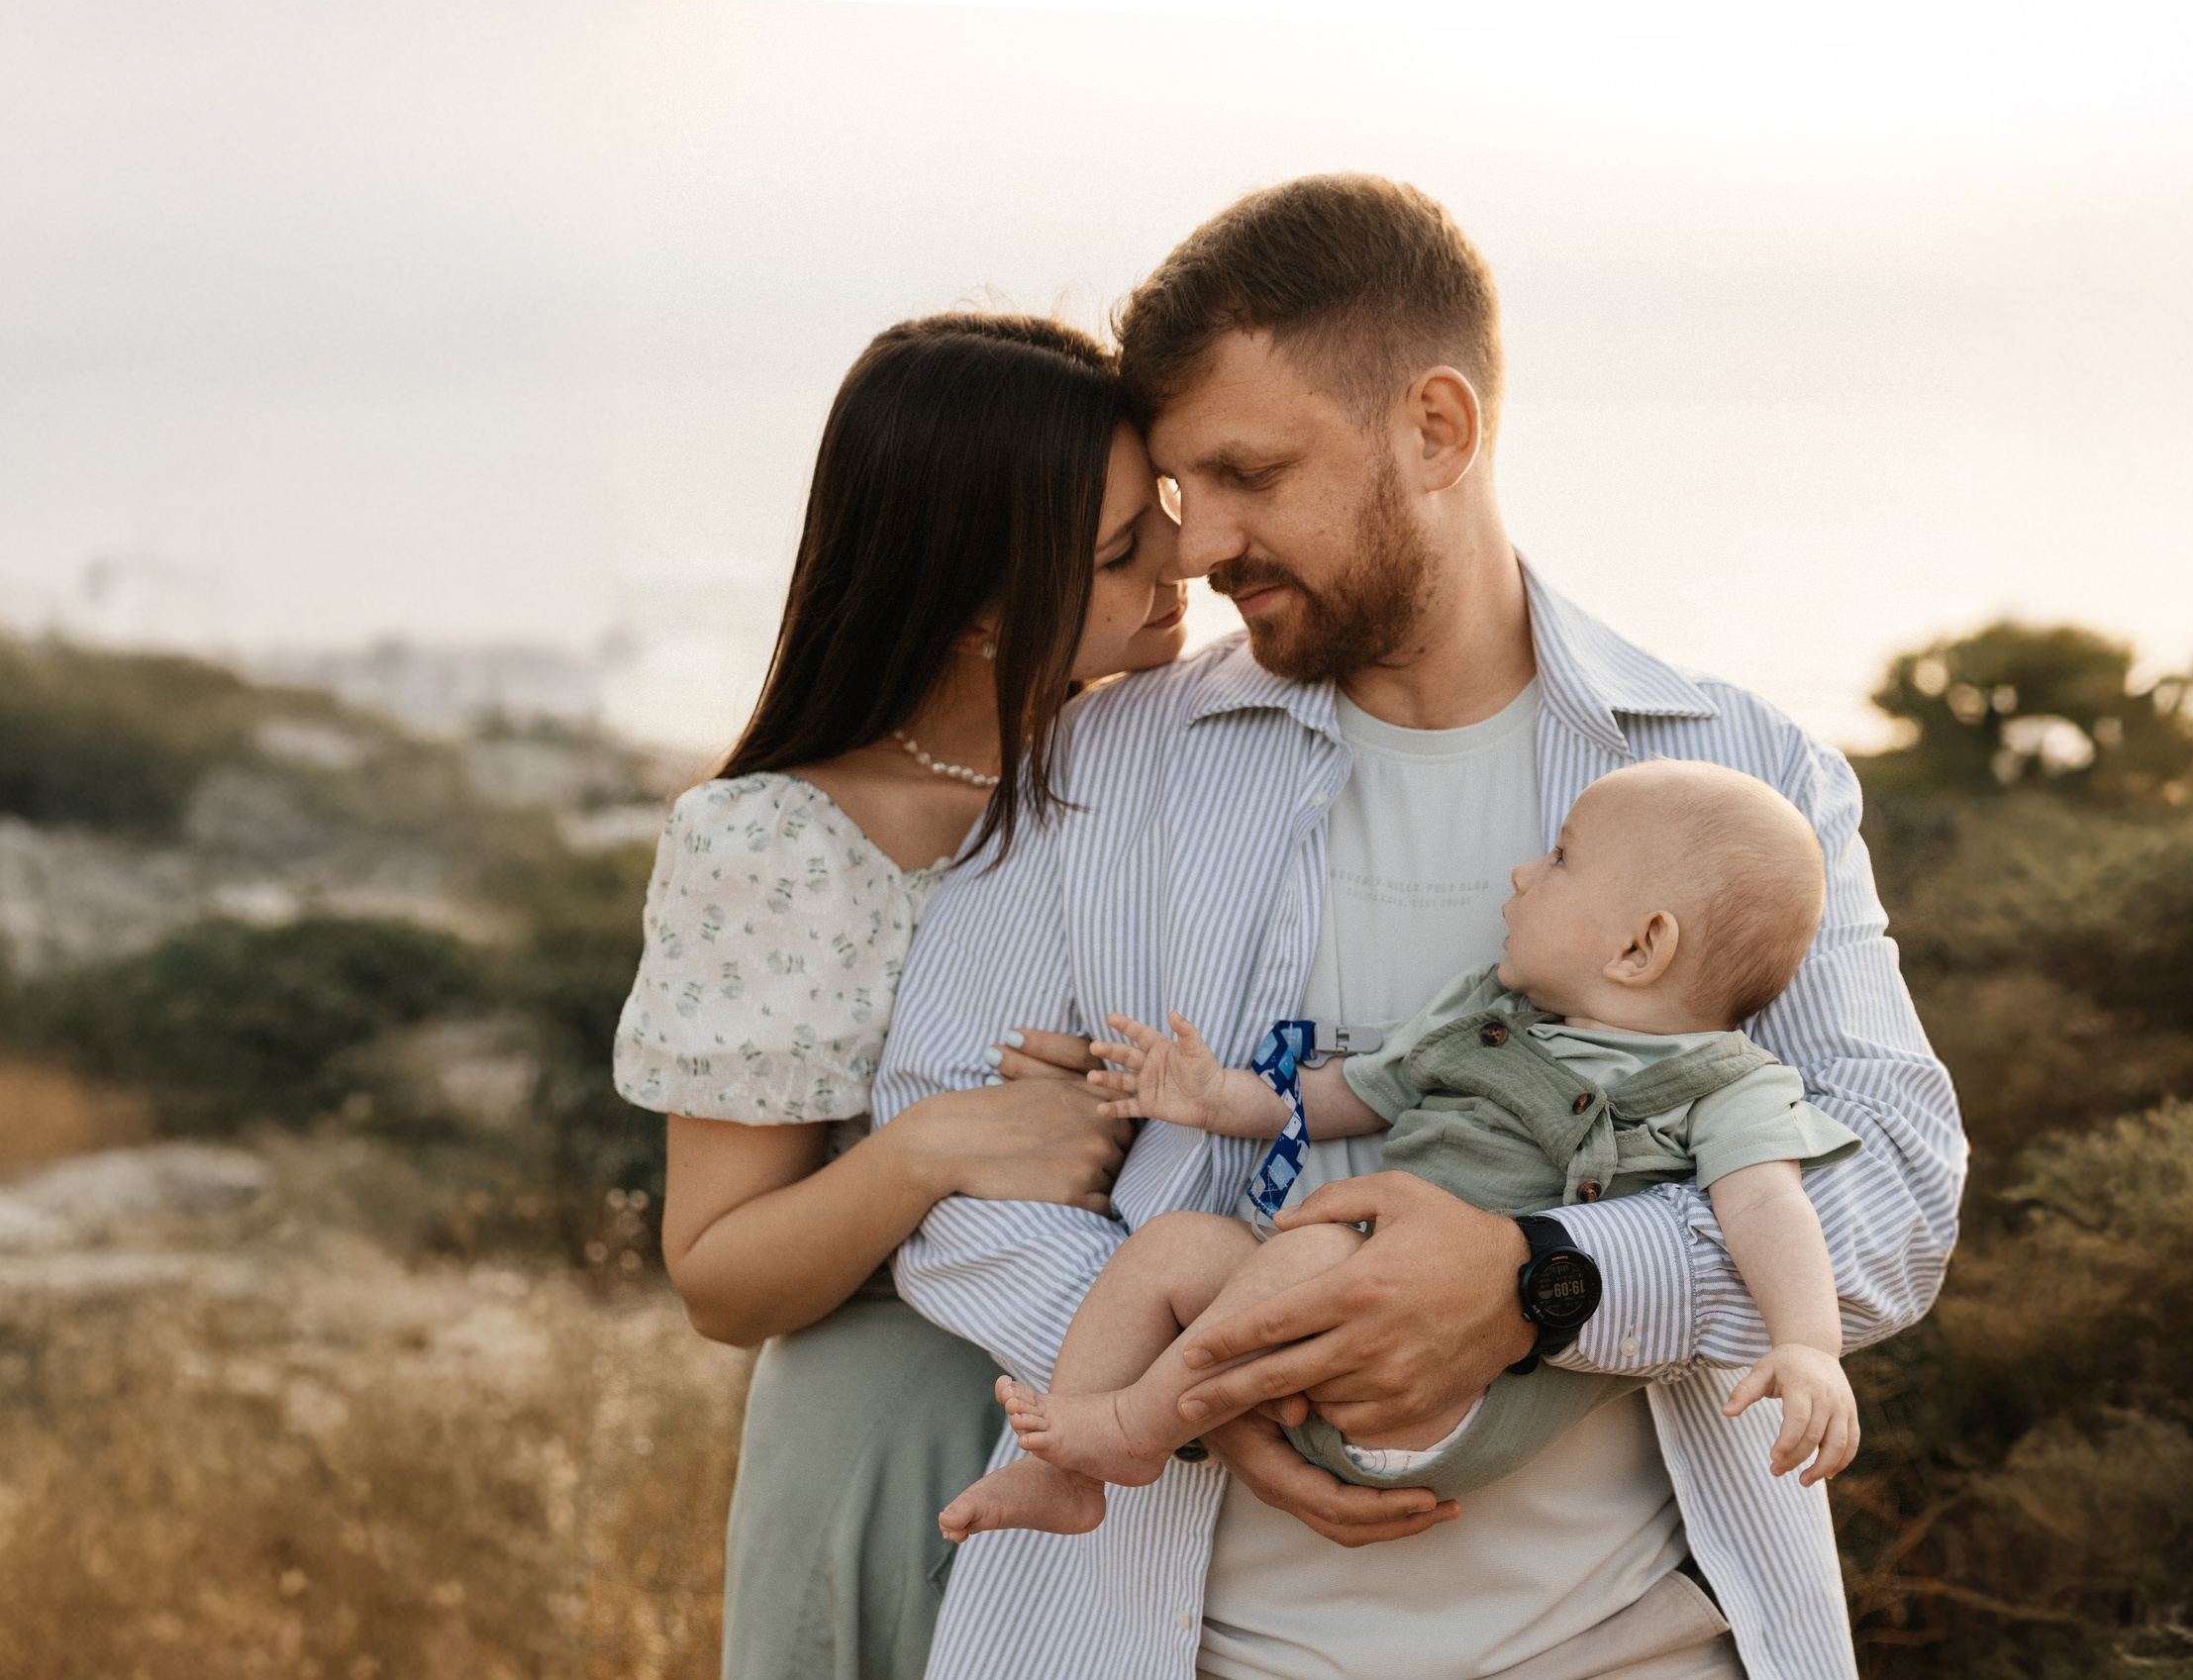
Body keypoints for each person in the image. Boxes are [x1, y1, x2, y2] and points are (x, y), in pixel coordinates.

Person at [876, 175, 1965, 1680]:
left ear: (1437, 429)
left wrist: (1541, 1281)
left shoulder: (1748, 773)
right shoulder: (1106, 764)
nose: (1199, 551)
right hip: (1162, 1642)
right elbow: (934, 1154)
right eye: (1188, 492)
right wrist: (1227, 1373)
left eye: (1252, 473)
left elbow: (1897, 1196)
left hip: (1650, 1644)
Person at [612, 311, 1190, 1680]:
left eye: (1164, 505)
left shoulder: (1182, 768)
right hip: (903, 1441)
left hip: (1162, 1445)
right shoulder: (775, 839)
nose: (1187, 558)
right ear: (982, 599)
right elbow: (718, 1275)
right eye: (1122, 550)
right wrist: (935, 1146)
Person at [938, 759, 1863, 1546]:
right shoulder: (1481, 1016)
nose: (1521, 873)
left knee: (1314, 1255)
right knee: (1179, 1244)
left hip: (1462, 1394)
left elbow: (1766, 1205)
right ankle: (1067, 1480)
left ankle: (1136, 1428)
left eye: (1561, 859)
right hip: (1321, 1340)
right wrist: (1217, 1098)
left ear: (1640, 946)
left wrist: (1809, 1345)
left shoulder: (1727, 1083)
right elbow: (1353, 1091)